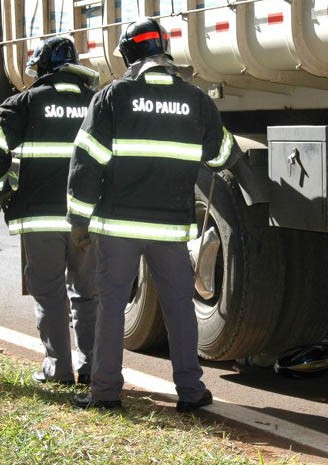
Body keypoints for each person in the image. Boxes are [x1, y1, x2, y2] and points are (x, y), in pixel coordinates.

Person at [68, 17, 240, 412]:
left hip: (119, 227)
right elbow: (220, 155)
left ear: (129, 54)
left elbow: (86, 163)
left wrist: (79, 220)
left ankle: (106, 392)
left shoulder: (111, 97)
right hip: (170, 228)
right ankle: (192, 392)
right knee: (179, 305)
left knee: (111, 304)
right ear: (165, 51)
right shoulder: (196, 100)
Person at [0, 37, 99, 385]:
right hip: (86, 217)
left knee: (49, 292)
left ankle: (58, 368)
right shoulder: (96, 103)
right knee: (88, 292)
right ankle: (91, 366)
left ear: (42, 68)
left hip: (39, 218)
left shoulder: (26, 102)